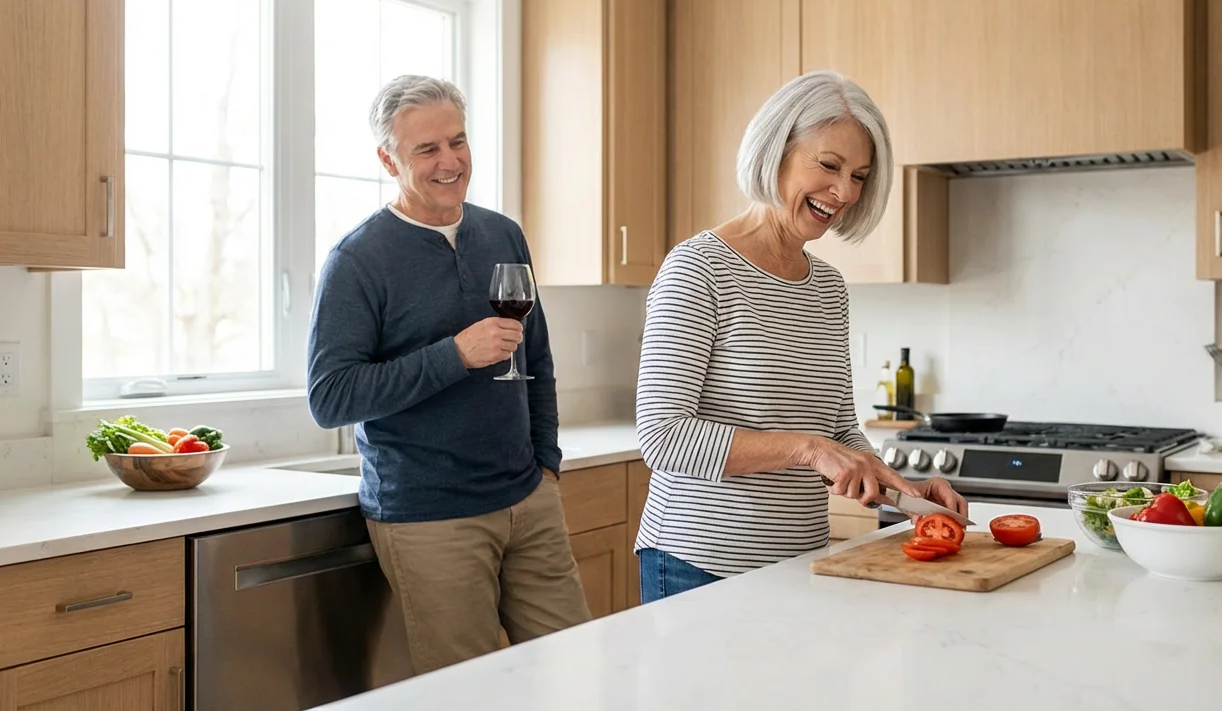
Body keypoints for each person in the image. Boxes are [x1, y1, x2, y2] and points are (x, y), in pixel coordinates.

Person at [634, 70, 968, 602]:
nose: (844, 192)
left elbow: (836, 427)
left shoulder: (828, 286)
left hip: (801, 563)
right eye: (829, 166)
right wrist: (810, 451)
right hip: (700, 564)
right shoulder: (698, 269)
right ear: (776, 151)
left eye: (859, 175)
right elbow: (662, 436)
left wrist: (902, 489)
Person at [306, 74, 590, 673]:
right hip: (431, 518)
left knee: (575, 675)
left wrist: (546, 464)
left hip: (527, 498)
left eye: (457, 142)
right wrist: (453, 355)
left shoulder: (502, 233)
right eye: (427, 149)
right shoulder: (358, 260)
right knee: (476, 696)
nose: (450, 162)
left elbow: (534, 356)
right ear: (388, 159)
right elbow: (330, 398)